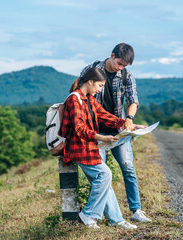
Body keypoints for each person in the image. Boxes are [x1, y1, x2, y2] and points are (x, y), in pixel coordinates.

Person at [80, 43, 152, 223]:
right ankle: (110, 215)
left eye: (124, 66)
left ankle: (136, 211)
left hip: (119, 132)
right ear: (112, 55)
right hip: (96, 134)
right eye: (119, 63)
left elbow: (133, 100)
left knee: (128, 167)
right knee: (102, 175)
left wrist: (129, 118)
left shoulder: (127, 76)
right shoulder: (91, 70)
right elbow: (80, 96)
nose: (120, 68)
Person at [59, 67, 138, 229]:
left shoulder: (89, 99)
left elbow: (104, 115)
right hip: (78, 148)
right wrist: (102, 137)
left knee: (103, 180)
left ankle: (116, 219)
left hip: (88, 146)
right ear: (90, 82)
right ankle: (89, 214)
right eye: (100, 86)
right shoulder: (74, 100)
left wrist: (128, 124)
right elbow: (79, 129)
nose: (100, 90)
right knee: (104, 174)